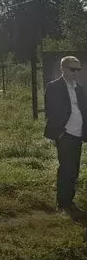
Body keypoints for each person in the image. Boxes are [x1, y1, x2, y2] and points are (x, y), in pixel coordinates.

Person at [44, 55, 87, 221]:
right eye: (72, 69)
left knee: (74, 169)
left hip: (78, 134)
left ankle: (70, 200)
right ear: (63, 69)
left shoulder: (79, 88)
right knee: (66, 168)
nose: (76, 72)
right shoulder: (54, 87)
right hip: (65, 134)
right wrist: (60, 132)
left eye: (78, 69)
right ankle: (62, 203)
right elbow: (51, 111)